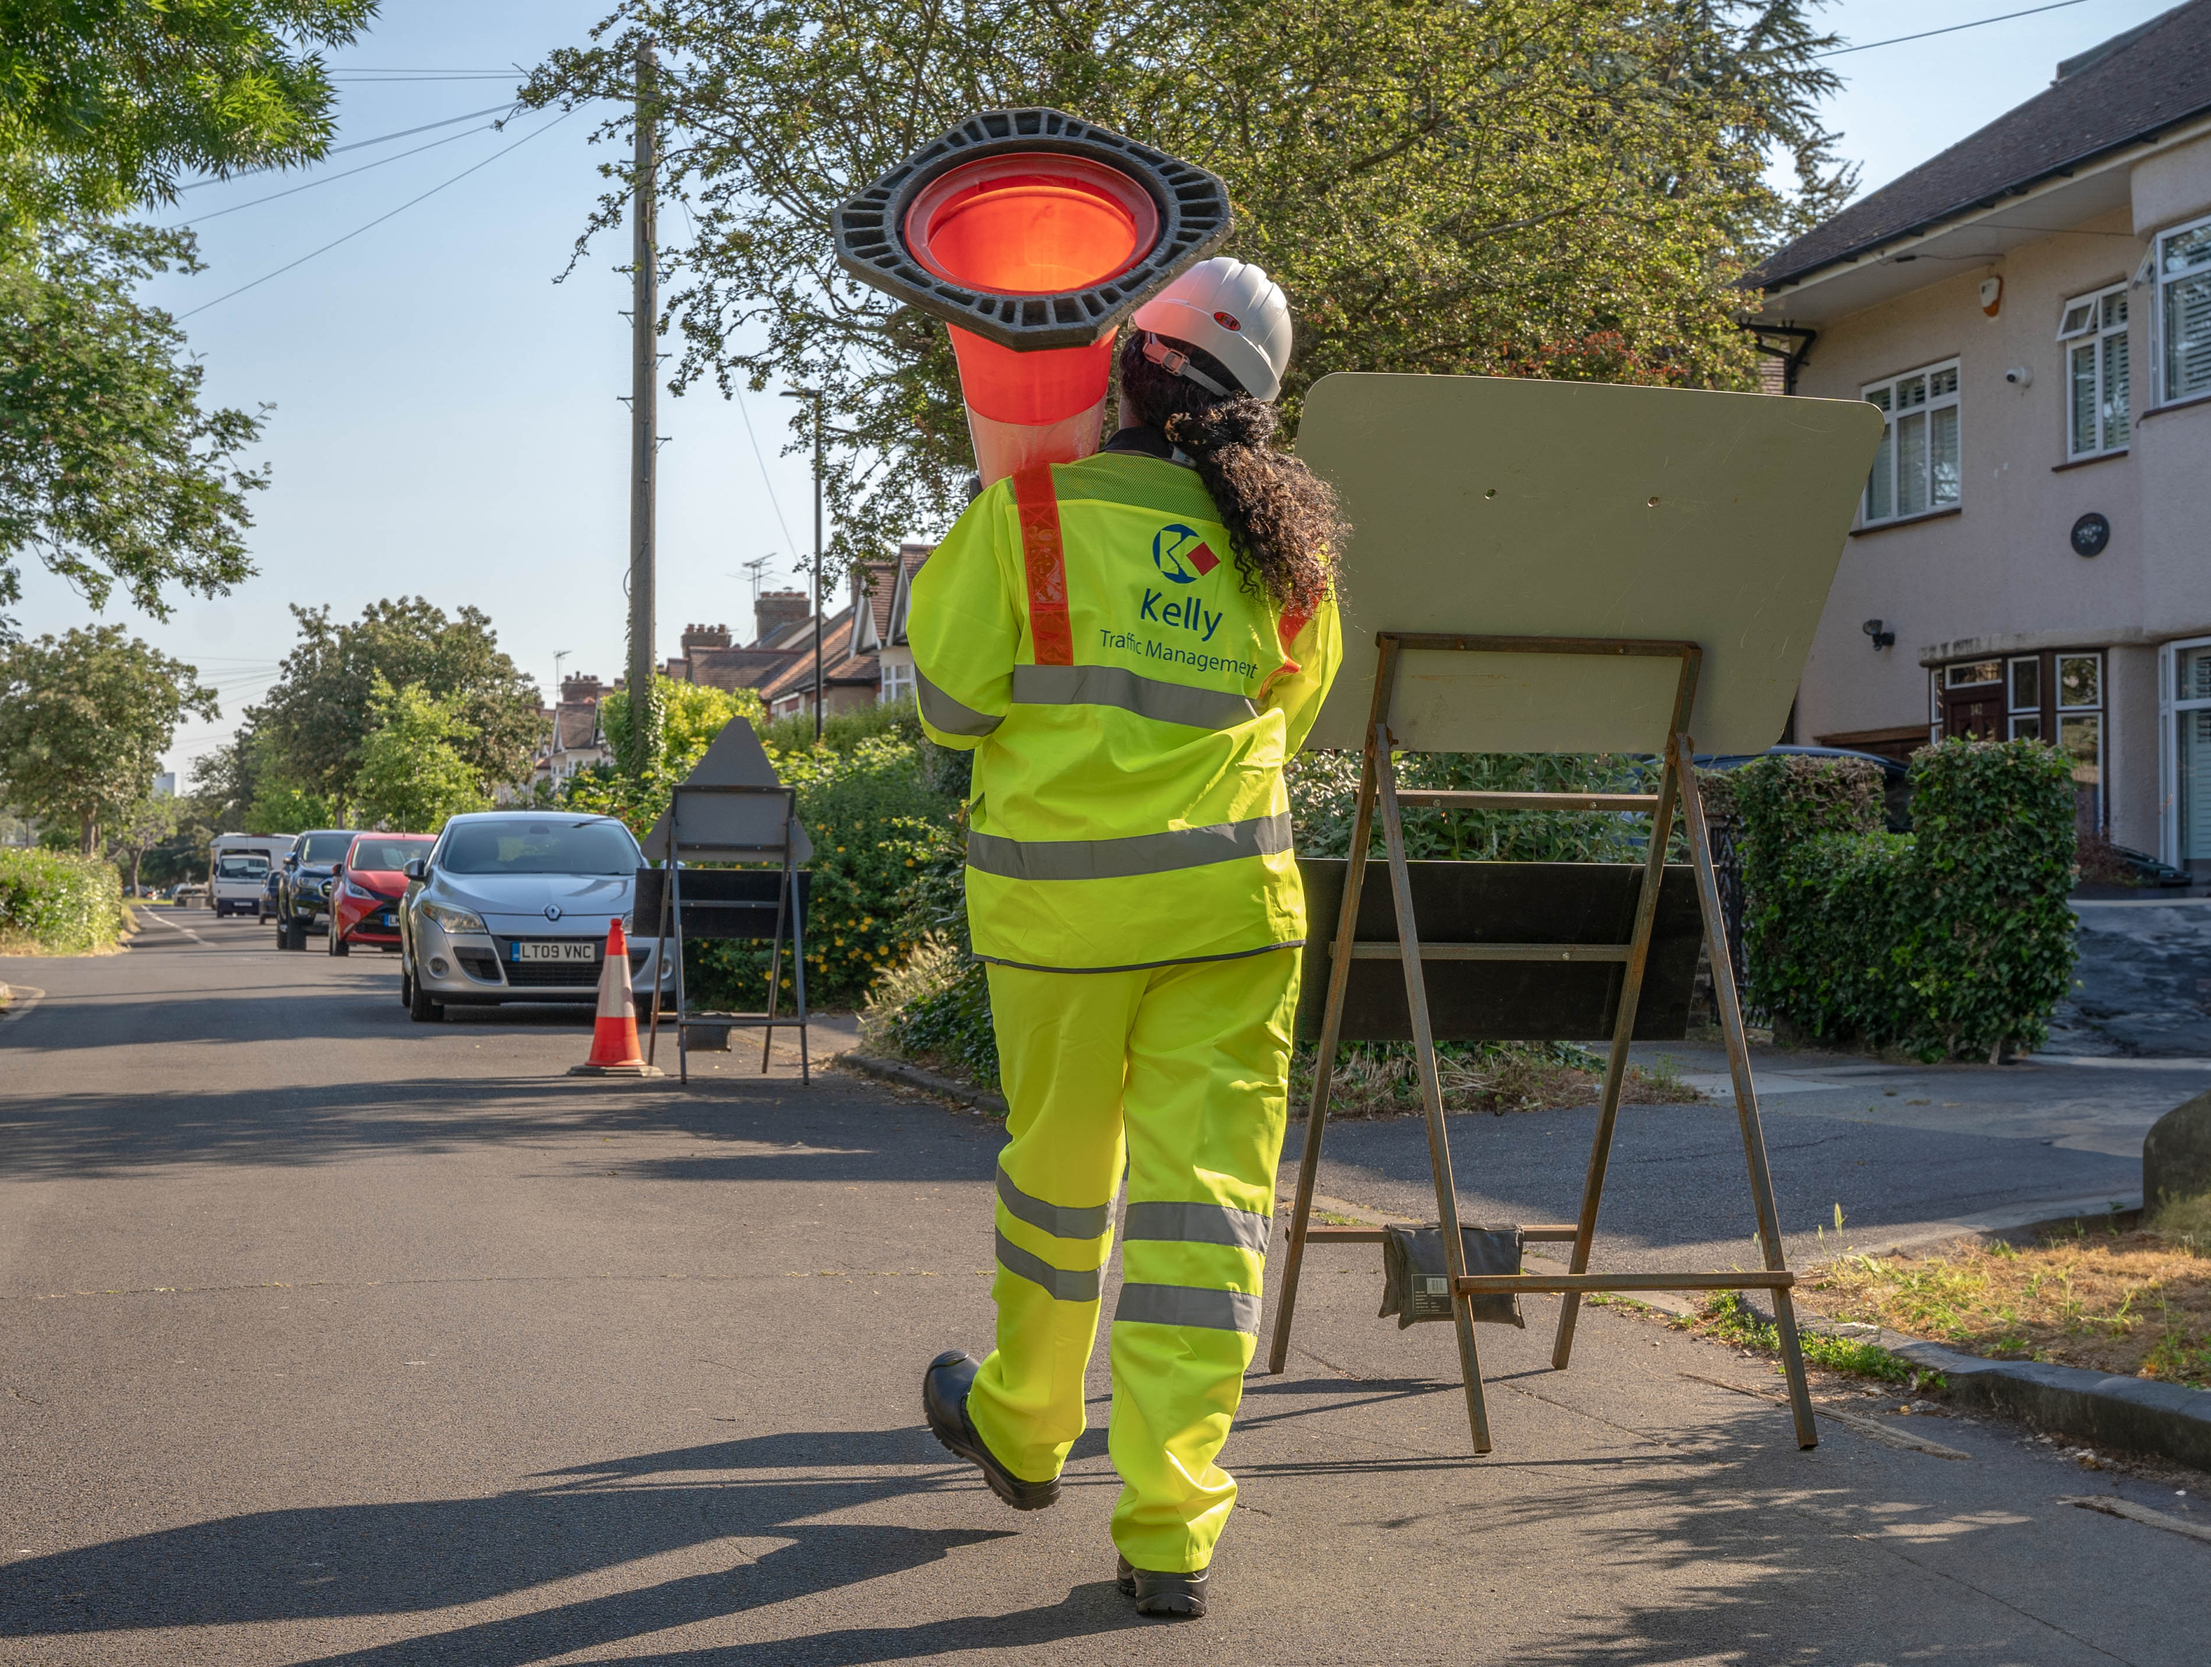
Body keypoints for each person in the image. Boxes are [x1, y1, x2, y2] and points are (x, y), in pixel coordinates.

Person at [908, 257, 1344, 1619]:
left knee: (1056, 1188)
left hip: (1058, 923)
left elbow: (944, 707)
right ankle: (1170, 1529)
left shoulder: (1023, 515)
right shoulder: (1291, 557)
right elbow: (1296, 716)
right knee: (1203, 1214)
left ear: (1126, 367)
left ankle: (1027, 1430)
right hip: (1232, 921)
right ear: (1253, 413)